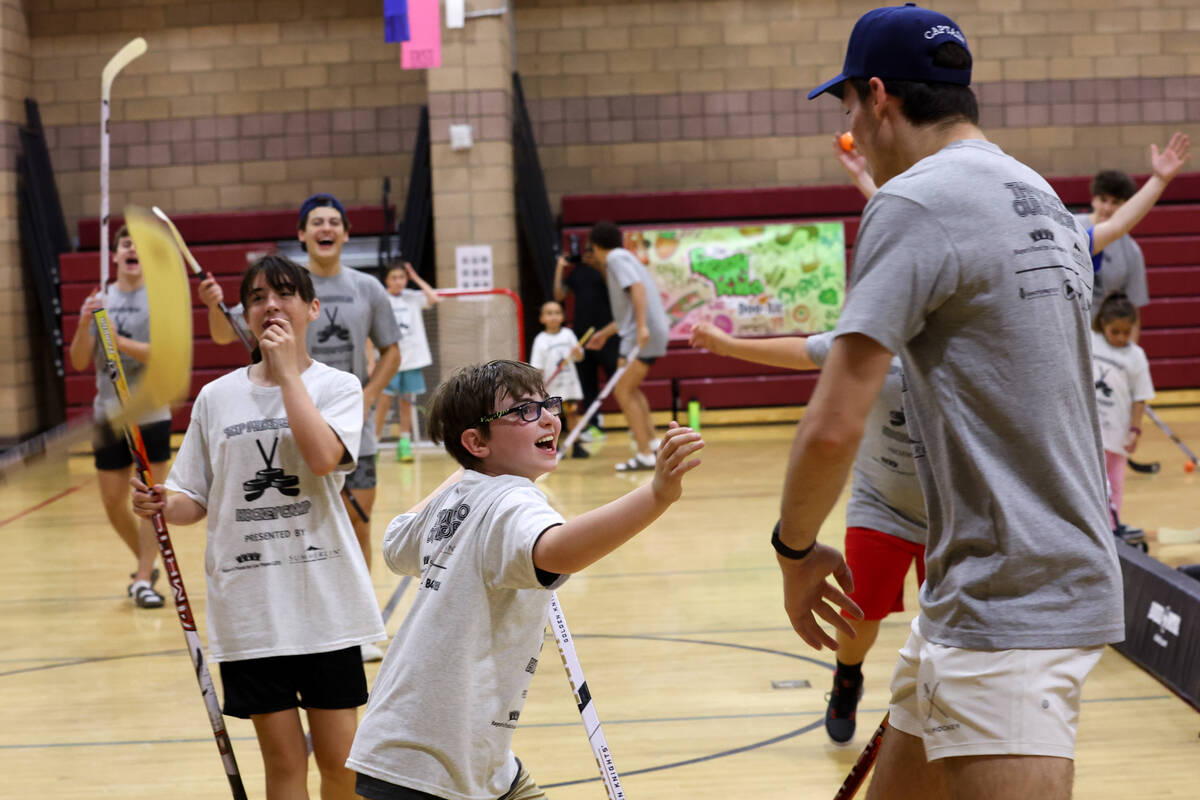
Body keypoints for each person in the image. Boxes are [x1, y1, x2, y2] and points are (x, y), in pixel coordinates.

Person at [790, 6, 1124, 799]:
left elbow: (834, 425)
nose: (854, 132)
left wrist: (794, 551)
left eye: (847, 110)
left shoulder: (912, 202)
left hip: (1015, 601)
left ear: (877, 98)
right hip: (976, 590)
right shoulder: (1037, 194)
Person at [346, 359, 704, 800]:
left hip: (454, 753)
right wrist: (656, 495)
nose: (550, 417)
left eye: (547, 404)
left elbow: (396, 541)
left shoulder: (462, 494)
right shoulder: (513, 500)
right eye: (523, 411)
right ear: (476, 441)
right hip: (430, 766)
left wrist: (468, 468)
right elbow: (560, 551)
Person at [131, 256, 386, 800]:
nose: (271, 304)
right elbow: (192, 498)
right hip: (251, 607)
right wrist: (162, 502)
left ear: (313, 309)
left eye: (286, 294)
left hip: (325, 603)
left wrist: (287, 373)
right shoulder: (216, 398)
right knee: (284, 763)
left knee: (342, 763)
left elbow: (322, 460)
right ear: (244, 314)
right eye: (257, 297)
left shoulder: (338, 387)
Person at [690, 322, 926, 744]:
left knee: (949, 626)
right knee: (858, 610)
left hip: (954, 512)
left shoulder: (970, 337)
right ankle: (847, 679)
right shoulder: (875, 333)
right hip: (880, 505)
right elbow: (803, 351)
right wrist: (726, 345)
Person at [208, 195, 400, 662]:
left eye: (335, 221)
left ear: (346, 234)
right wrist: (214, 305)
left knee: (355, 525)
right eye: (316, 222)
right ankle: (302, 625)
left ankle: (356, 624)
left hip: (346, 424)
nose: (325, 228)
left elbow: (392, 350)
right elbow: (222, 333)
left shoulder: (367, 288)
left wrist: (366, 398)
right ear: (302, 234)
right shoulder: (278, 286)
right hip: (283, 425)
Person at [68, 225, 165, 609]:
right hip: (107, 414)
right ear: (115, 255)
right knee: (112, 502)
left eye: (139, 246)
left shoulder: (157, 300)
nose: (132, 249)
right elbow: (78, 361)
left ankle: (143, 578)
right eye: (126, 243)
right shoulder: (100, 299)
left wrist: (117, 339)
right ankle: (145, 563)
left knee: (148, 498)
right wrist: (85, 322)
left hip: (148, 411)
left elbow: (160, 356)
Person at [585, 222, 670, 472]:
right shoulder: (624, 256)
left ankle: (645, 455)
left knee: (622, 391)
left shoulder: (614, 258)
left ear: (595, 245)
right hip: (645, 331)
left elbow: (637, 289)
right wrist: (605, 333)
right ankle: (653, 444)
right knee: (630, 389)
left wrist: (642, 327)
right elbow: (628, 311)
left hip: (644, 334)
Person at [1091, 293, 1154, 527]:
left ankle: (1112, 529)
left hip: (1117, 435)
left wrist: (1135, 430)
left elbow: (1140, 398)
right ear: (1103, 324)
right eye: (1114, 331)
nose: (1120, 337)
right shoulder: (1090, 340)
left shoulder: (1136, 356)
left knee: (1115, 483)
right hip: (1090, 432)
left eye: (1126, 332)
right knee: (1093, 484)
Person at [372, 259, 439, 463]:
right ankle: (373, 445)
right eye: (394, 277)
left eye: (402, 277)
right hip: (388, 360)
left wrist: (415, 277)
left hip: (412, 360)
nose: (399, 281)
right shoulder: (380, 299)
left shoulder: (412, 297)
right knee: (383, 403)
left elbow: (434, 298)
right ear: (386, 280)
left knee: (406, 405)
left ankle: (404, 444)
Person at [553, 247, 619, 442]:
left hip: (608, 335)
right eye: (587, 252)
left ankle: (635, 426)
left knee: (620, 383)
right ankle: (594, 426)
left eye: (593, 252)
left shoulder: (609, 270)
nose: (589, 256)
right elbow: (558, 295)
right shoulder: (577, 272)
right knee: (587, 384)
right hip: (582, 337)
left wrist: (599, 266)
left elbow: (616, 289)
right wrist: (560, 268)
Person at [529, 300, 588, 459]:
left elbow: (579, 357)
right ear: (542, 318)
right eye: (549, 313)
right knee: (554, 418)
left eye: (557, 313)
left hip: (569, 387)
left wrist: (577, 352)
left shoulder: (568, 335)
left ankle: (576, 445)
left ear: (562, 316)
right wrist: (538, 387)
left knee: (572, 415)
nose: (554, 317)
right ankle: (555, 446)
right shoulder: (540, 339)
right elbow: (537, 366)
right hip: (553, 390)